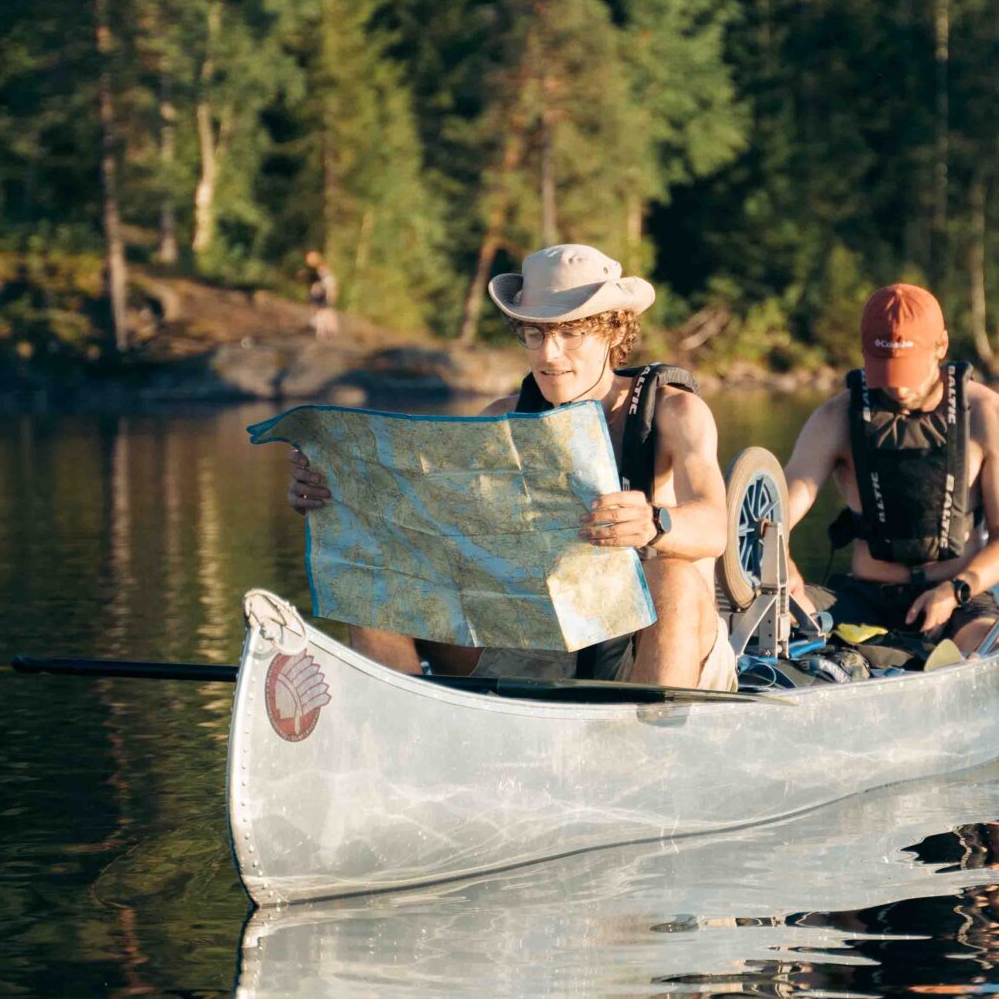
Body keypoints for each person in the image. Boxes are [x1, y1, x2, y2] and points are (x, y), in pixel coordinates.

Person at [285, 243, 734, 690]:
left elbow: (716, 526)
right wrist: (336, 495)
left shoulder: (675, 412)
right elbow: (431, 530)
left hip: (659, 640)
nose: (548, 354)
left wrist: (655, 522)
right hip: (544, 643)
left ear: (614, 331)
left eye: (570, 333)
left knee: (670, 576)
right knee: (376, 580)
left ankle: (654, 748)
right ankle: (406, 737)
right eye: (534, 334)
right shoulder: (499, 418)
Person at [778, 282, 999, 660]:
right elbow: (776, 513)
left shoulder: (992, 417)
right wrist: (782, 567)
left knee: (990, 645)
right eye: (883, 369)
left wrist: (956, 589)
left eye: (906, 369)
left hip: (959, 595)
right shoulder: (834, 420)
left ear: (941, 347)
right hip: (863, 598)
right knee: (775, 620)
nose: (895, 385)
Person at [303, 249, 340, 339]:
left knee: (323, 311)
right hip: (320, 292)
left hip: (323, 293)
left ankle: (326, 331)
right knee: (320, 310)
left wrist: (330, 293)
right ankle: (321, 328)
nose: (307, 261)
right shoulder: (317, 270)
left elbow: (330, 283)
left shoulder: (323, 270)